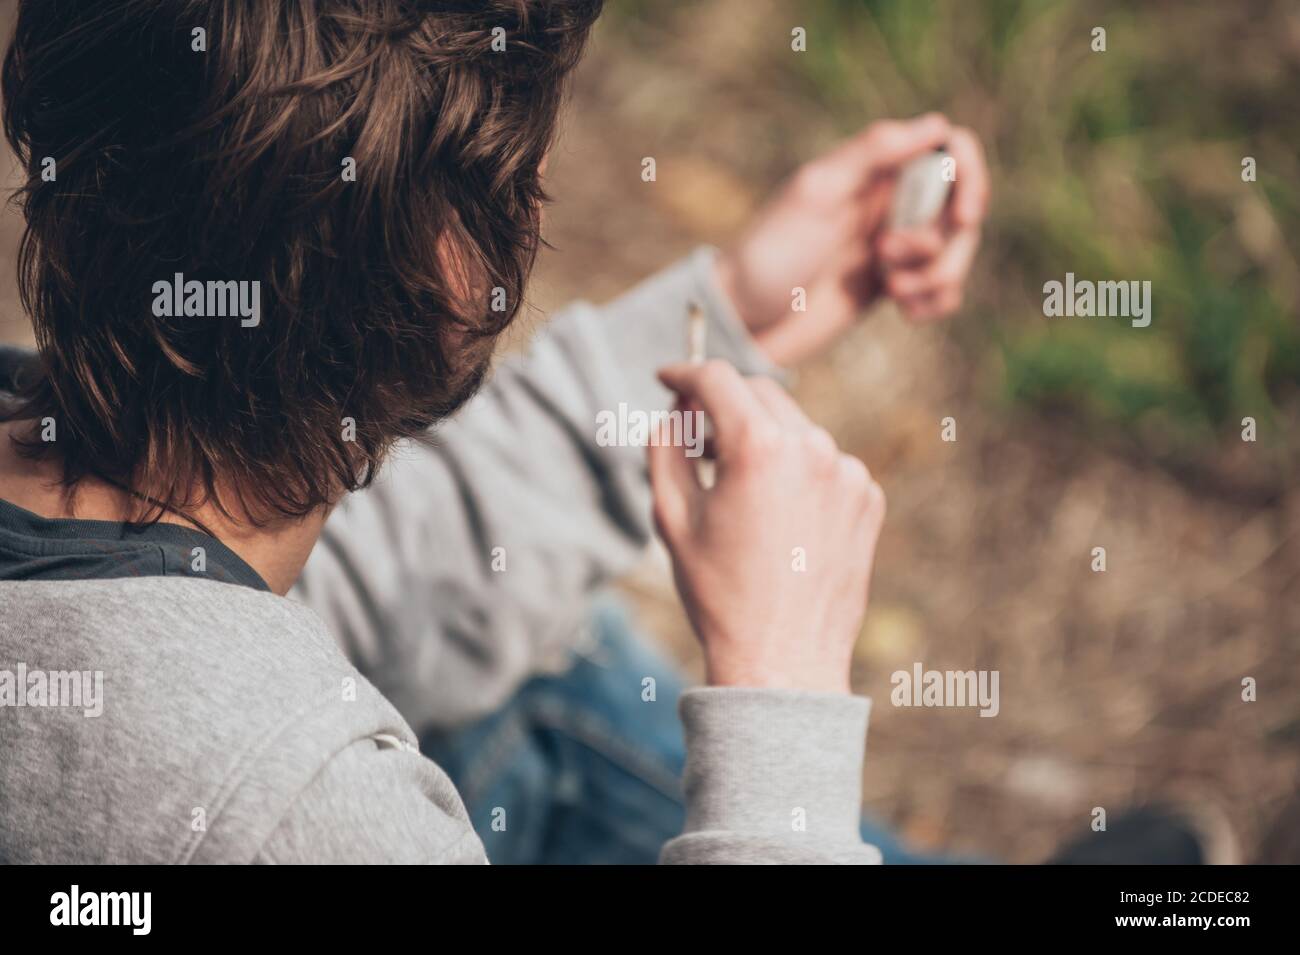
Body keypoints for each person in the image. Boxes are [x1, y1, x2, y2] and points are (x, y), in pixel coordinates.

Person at [0, 0, 981, 865]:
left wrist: (730, 313)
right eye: (523, 171)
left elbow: (359, 584)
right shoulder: (301, 815)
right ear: (452, 277)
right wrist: (782, 693)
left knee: (546, 674)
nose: (542, 171)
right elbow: (259, 741)